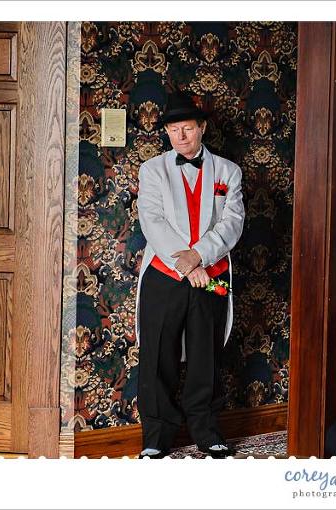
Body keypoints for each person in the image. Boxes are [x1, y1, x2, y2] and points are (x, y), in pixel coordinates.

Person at [135, 91, 244, 458]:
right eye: (173, 130)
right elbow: (152, 220)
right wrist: (187, 265)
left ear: (202, 128)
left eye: (187, 128)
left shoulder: (228, 172)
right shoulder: (152, 170)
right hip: (164, 274)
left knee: (205, 356)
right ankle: (156, 437)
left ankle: (207, 431)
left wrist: (199, 257)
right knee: (157, 356)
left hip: (211, 274)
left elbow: (232, 223)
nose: (180, 136)